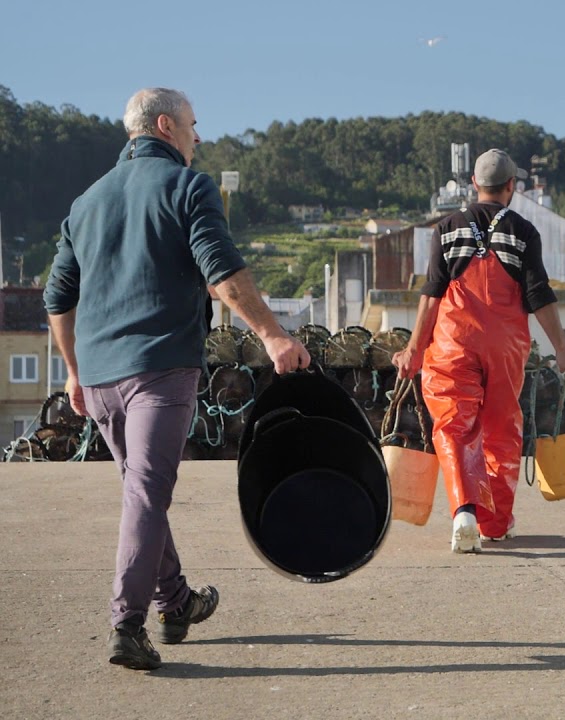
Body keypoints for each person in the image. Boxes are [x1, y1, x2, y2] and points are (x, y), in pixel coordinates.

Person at [43, 88, 310, 671]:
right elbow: (222, 270)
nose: (198, 137)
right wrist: (272, 336)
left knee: (142, 491)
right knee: (146, 494)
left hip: (101, 377)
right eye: (192, 125)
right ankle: (126, 624)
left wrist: (73, 373)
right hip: (160, 369)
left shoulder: (85, 202)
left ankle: (176, 602)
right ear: (165, 126)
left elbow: (57, 299)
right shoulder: (188, 186)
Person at [393, 149, 565, 553]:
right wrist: (563, 351)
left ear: (474, 184)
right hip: (505, 346)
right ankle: (494, 524)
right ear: (512, 186)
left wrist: (413, 350)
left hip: (453, 342)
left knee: (453, 426)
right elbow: (539, 295)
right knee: (500, 429)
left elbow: (431, 294)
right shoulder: (523, 231)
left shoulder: (446, 228)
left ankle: (463, 512)